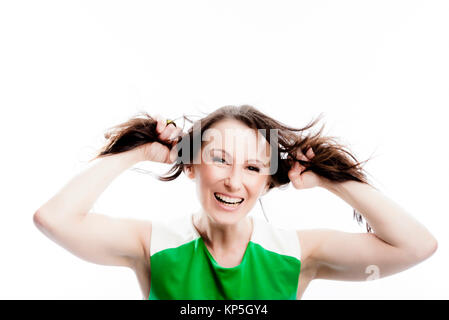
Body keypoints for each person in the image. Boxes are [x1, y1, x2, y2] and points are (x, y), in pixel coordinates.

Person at [33, 105, 438, 300]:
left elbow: (416, 246)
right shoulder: (151, 245)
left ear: (266, 180)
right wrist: (139, 153)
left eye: (252, 167)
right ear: (190, 166)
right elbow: (54, 219)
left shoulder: (297, 253)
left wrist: (329, 179)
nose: (233, 180)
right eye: (219, 159)